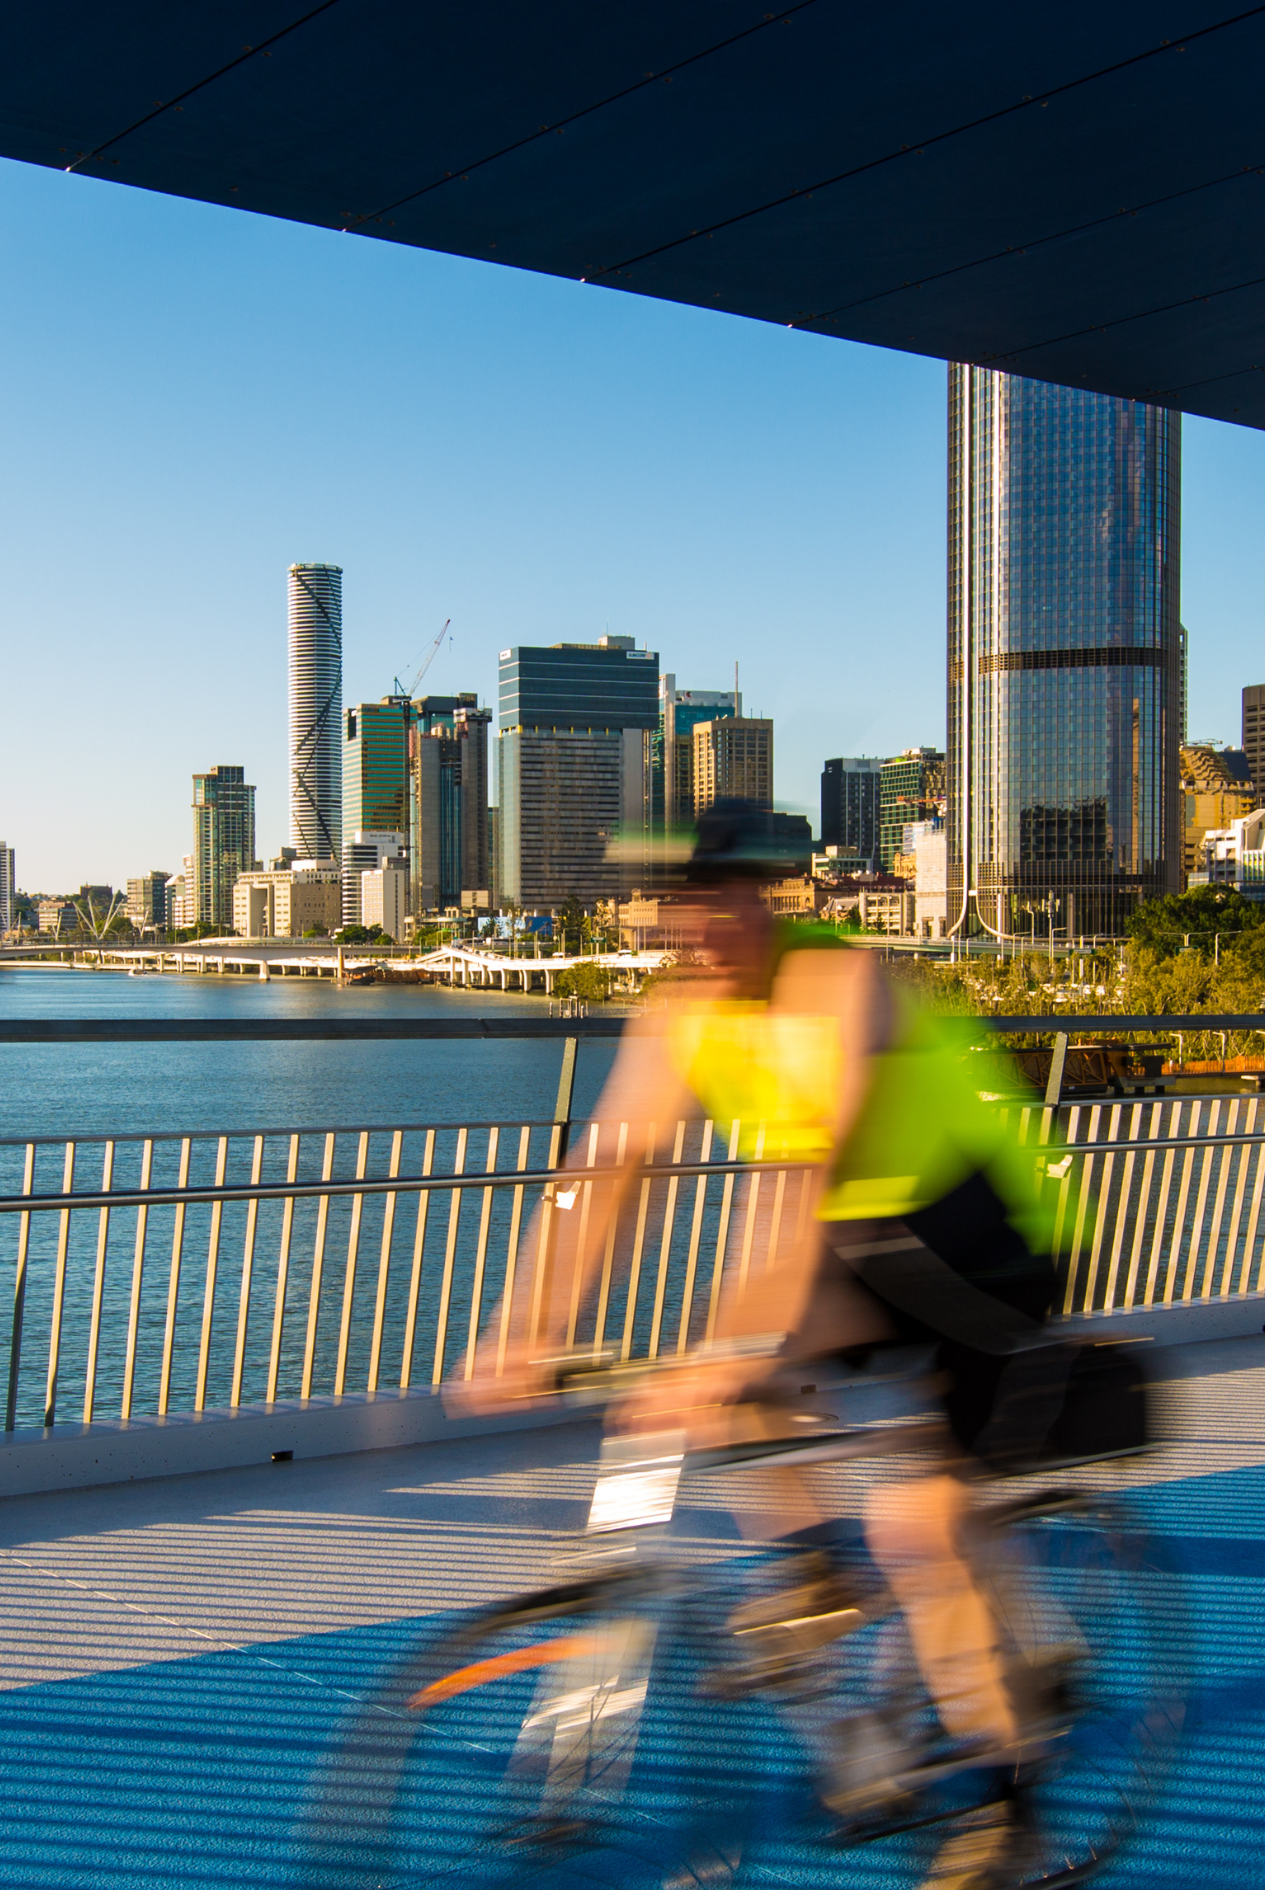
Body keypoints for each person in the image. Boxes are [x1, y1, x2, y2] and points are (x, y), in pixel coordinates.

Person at [458, 800, 1111, 1890]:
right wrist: (521, 1329)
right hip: (869, 1242)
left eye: (707, 904)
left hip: (990, 1235)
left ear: (758, 898)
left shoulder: (835, 984)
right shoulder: (681, 1012)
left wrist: (734, 1351)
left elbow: (815, 1184)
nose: (687, 931)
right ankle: (820, 1576)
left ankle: (1008, 1811)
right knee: (734, 1374)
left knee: (917, 1523)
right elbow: (605, 1178)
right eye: (668, 909)